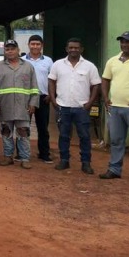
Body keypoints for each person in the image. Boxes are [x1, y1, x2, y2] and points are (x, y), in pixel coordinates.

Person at [48, 38, 101, 174]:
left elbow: (96, 85)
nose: (73, 50)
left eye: (76, 48)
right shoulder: (58, 65)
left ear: (81, 49)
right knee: (64, 135)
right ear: (67, 49)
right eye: (71, 47)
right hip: (62, 107)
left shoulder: (89, 66)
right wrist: (54, 101)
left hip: (82, 108)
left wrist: (89, 103)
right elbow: (51, 82)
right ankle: (64, 160)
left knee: (84, 136)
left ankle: (86, 163)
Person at [99, 31, 129, 184]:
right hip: (115, 108)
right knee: (117, 141)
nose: (124, 44)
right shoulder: (113, 60)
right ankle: (114, 170)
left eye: (128, 42)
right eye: (122, 41)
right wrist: (106, 98)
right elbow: (105, 79)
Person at [0, 39, 39, 169]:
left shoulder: (28, 66)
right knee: (6, 132)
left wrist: (33, 103)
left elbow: (34, 87)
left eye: (12, 49)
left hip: (23, 107)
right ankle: (8, 157)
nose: (10, 51)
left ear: (18, 50)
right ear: (4, 51)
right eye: (7, 49)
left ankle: (25, 158)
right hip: (5, 106)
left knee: (23, 132)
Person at [24, 35, 54, 163]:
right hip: (26, 98)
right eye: (32, 44)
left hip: (43, 98)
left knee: (43, 128)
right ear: (28, 45)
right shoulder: (22, 60)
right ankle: (22, 153)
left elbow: (52, 79)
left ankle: (44, 154)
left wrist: (51, 95)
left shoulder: (48, 61)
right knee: (23, 127)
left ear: (41, 45)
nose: (35, 46)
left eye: (37, 44)